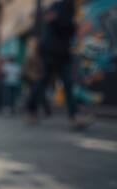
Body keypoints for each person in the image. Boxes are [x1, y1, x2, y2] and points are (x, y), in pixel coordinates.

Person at [26, 0, 93, 129]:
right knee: (42, 83)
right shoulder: (58, 7)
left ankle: (75, 116)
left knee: (68, 84)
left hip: (63, 54)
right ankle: (30, 108)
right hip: (51, 54)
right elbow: (59, 26)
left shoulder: (70, 9)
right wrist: (70, 25)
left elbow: (66, 29)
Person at [22, 37, 51, 117]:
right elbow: (26, 68)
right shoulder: (30, 56)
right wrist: (31, 76)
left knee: (40, 95)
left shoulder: (41, 56)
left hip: (39, 77)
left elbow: (43, 67)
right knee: (34, 94)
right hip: (32, 78)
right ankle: (31, 110)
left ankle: (38, 110)